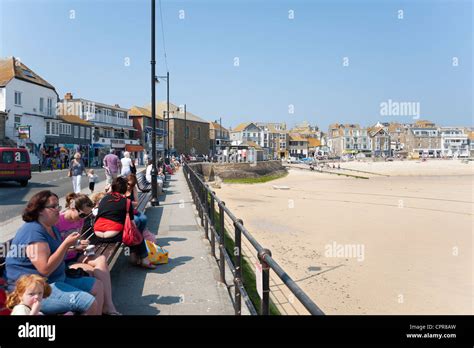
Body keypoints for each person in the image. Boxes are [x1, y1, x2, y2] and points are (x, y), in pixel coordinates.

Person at [5, 190, 104, 315]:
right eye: (53, 207)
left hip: (57, 279)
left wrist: (73, 246)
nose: (58, 210)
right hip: (35, 289)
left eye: (58, 205)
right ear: (40, 210)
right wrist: (66, 244)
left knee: (98, 286)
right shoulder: (33, 232)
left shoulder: (50, 227)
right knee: (89, 303)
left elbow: (55, 253)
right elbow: (44, 269)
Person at [56, 193, 120, 315]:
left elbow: (75, 241)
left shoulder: (79, 221)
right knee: (93, 271)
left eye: (87, 215)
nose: (83, 218)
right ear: (73, 208)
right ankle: (101, 306)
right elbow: (56, 249)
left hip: (75, 254)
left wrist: (81, 244)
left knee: (101, 260)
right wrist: (75, 247)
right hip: (63, 260)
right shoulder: (58, 221)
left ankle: (108, 305)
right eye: (82, 214)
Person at [93, 177, 155, 269]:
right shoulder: (126, 202)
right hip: (112, 235)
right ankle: (143, 260)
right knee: (135, 234)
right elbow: (132, 224)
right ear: (124, 189)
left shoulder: (104, 199)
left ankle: (134, 258)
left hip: (97, 234)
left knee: (130, 233)